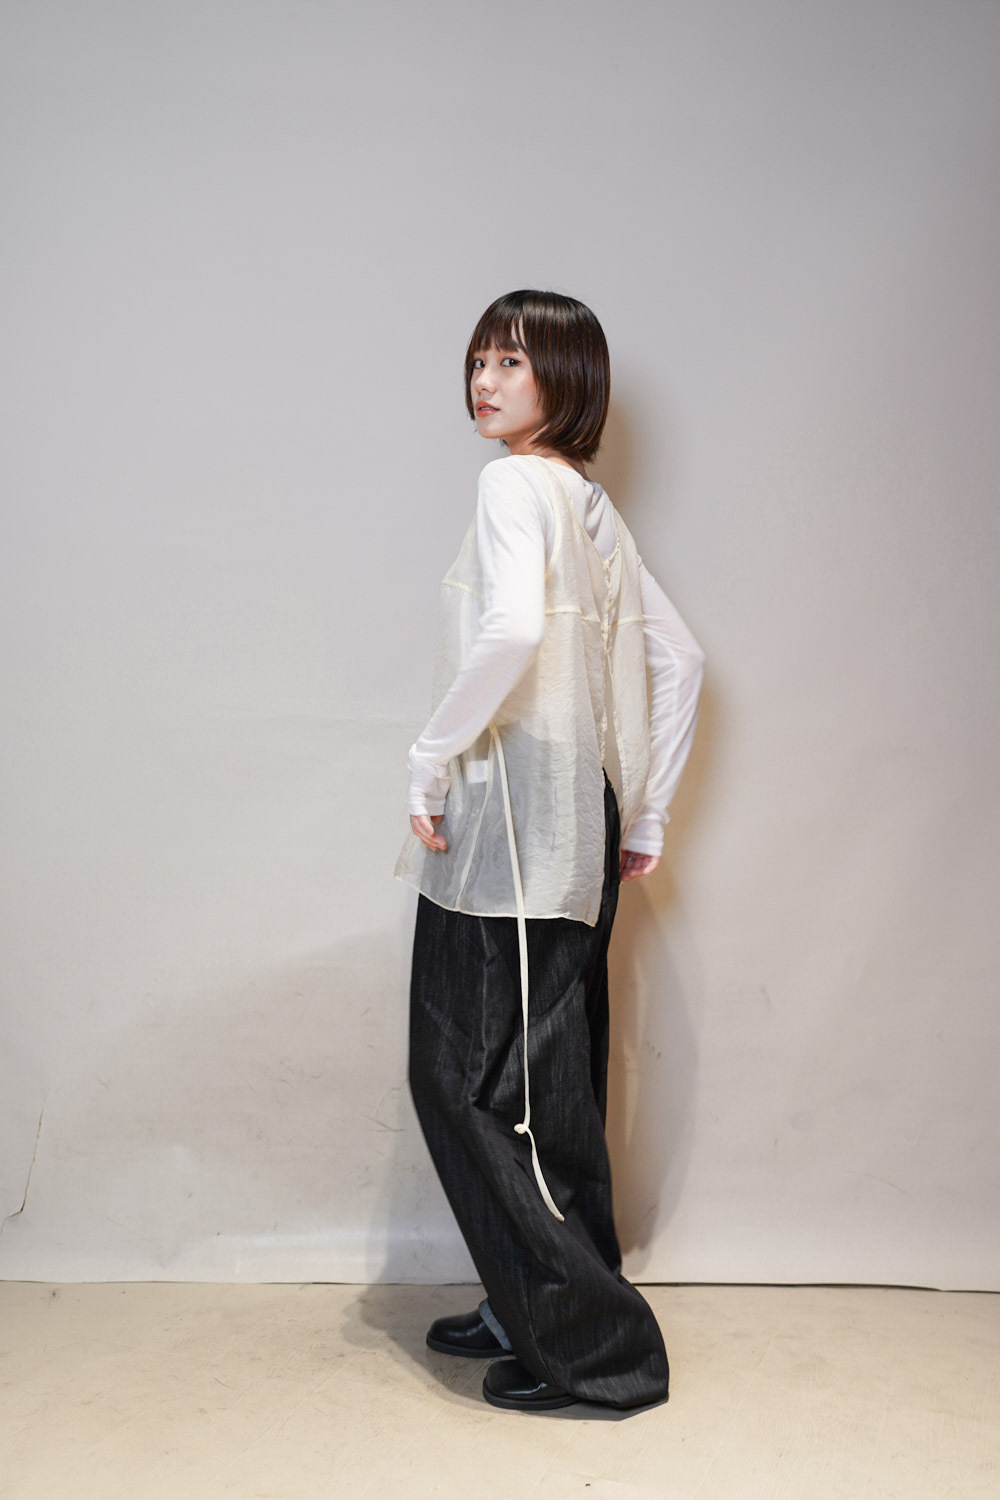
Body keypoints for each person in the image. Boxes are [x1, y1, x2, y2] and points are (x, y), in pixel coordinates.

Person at [394, 289, 705, 1412]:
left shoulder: (513, 485)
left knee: (466, 1080)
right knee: (549, 1082)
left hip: (516, 827)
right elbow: (681, 660)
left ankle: (595, 1349)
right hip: (584, 821)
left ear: (565, 379)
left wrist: (427, 759)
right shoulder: (589, 503)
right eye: (478, 359)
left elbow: (514, 629)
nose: (485, 381)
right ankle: (533, 1299)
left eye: (512, 362)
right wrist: (646, 813)